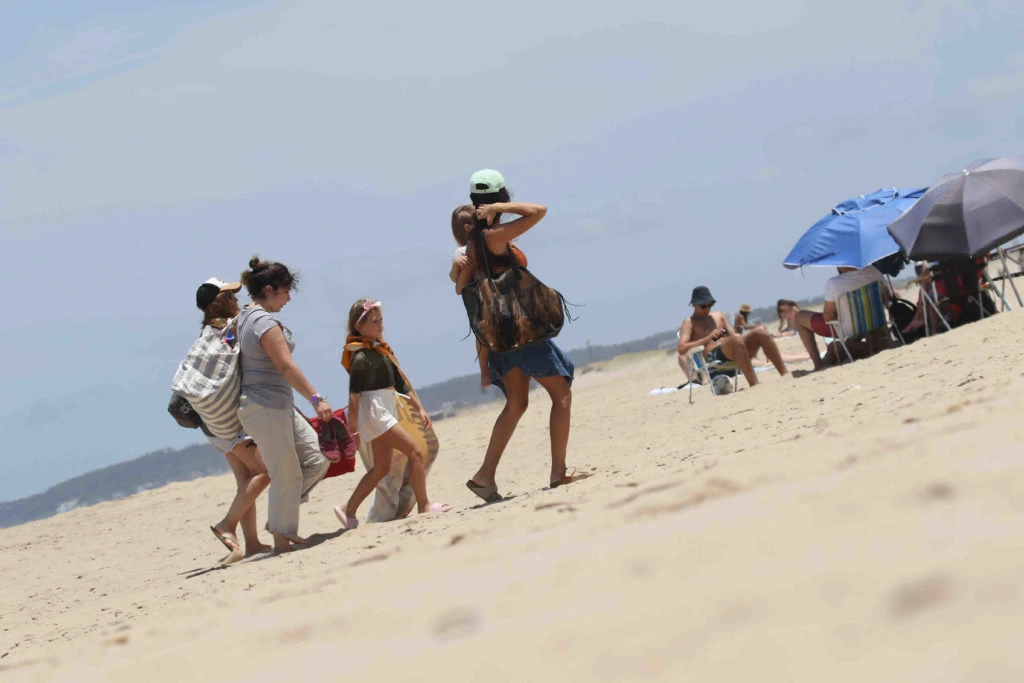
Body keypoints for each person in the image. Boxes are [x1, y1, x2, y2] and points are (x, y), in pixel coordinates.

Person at [457, 169, 582, 501]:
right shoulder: (492, 237)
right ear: (501, 197)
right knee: (562, 396)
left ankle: (485, 476)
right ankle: (559, 472)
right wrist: (504, 207)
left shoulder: (474, 240)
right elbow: (539, 211)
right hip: (521, 331)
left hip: (500, 334)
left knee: (516, 403)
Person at [235, 256, 331, 554]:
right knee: (285, 471)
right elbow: (286, 366)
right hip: (263, 406)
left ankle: (279, 517)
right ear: (269, 289)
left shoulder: (245, 316)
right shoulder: (262, 321)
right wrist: (316, 399)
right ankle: (281, 537)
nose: (289, 298)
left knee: (317, 457)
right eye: (285, 291)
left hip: (278, 404)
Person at [333, 299, 451, 528]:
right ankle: (424, 504)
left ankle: (348, 509)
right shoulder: (359, 357)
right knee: (415, 452)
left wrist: (420, 408)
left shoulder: (381, 351)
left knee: (381, 468)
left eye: (381, 320)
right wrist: (354, 429)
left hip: (386, 406)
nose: (380, 325)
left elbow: (400, 384)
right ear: (360, 326)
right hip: (374, 410)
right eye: (374, 321)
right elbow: (354, 396)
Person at [193, 278, 272, 563]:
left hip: (211, 421)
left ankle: (251, 543)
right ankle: (227, 525)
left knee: (246, 478)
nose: (237, 300)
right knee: (265, 473)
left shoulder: (206, 334)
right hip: (229, 421)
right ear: (221, 302)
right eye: (231, 296)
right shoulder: (225, 333)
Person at [677, 286, 789, 388]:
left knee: (761, 331)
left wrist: (737, 326)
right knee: (736, 339)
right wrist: (707, 339)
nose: (707, 309)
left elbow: (734, 335)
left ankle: (785, 374)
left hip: (732, 347)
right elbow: (682, 348)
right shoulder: (689, 323)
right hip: (713, 357)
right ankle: (754, 384)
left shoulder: (718, 315)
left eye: (710, 305)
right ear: (694, 305)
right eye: (703, 306)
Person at [791, 265, 889, 370]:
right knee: (834, 348)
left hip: (849, 329)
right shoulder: (874, 271)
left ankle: (818, 364)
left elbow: (828, 317)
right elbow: (886, 299)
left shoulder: (834, 283)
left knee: (800, 317)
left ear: (841, 265)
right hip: (875, 323)